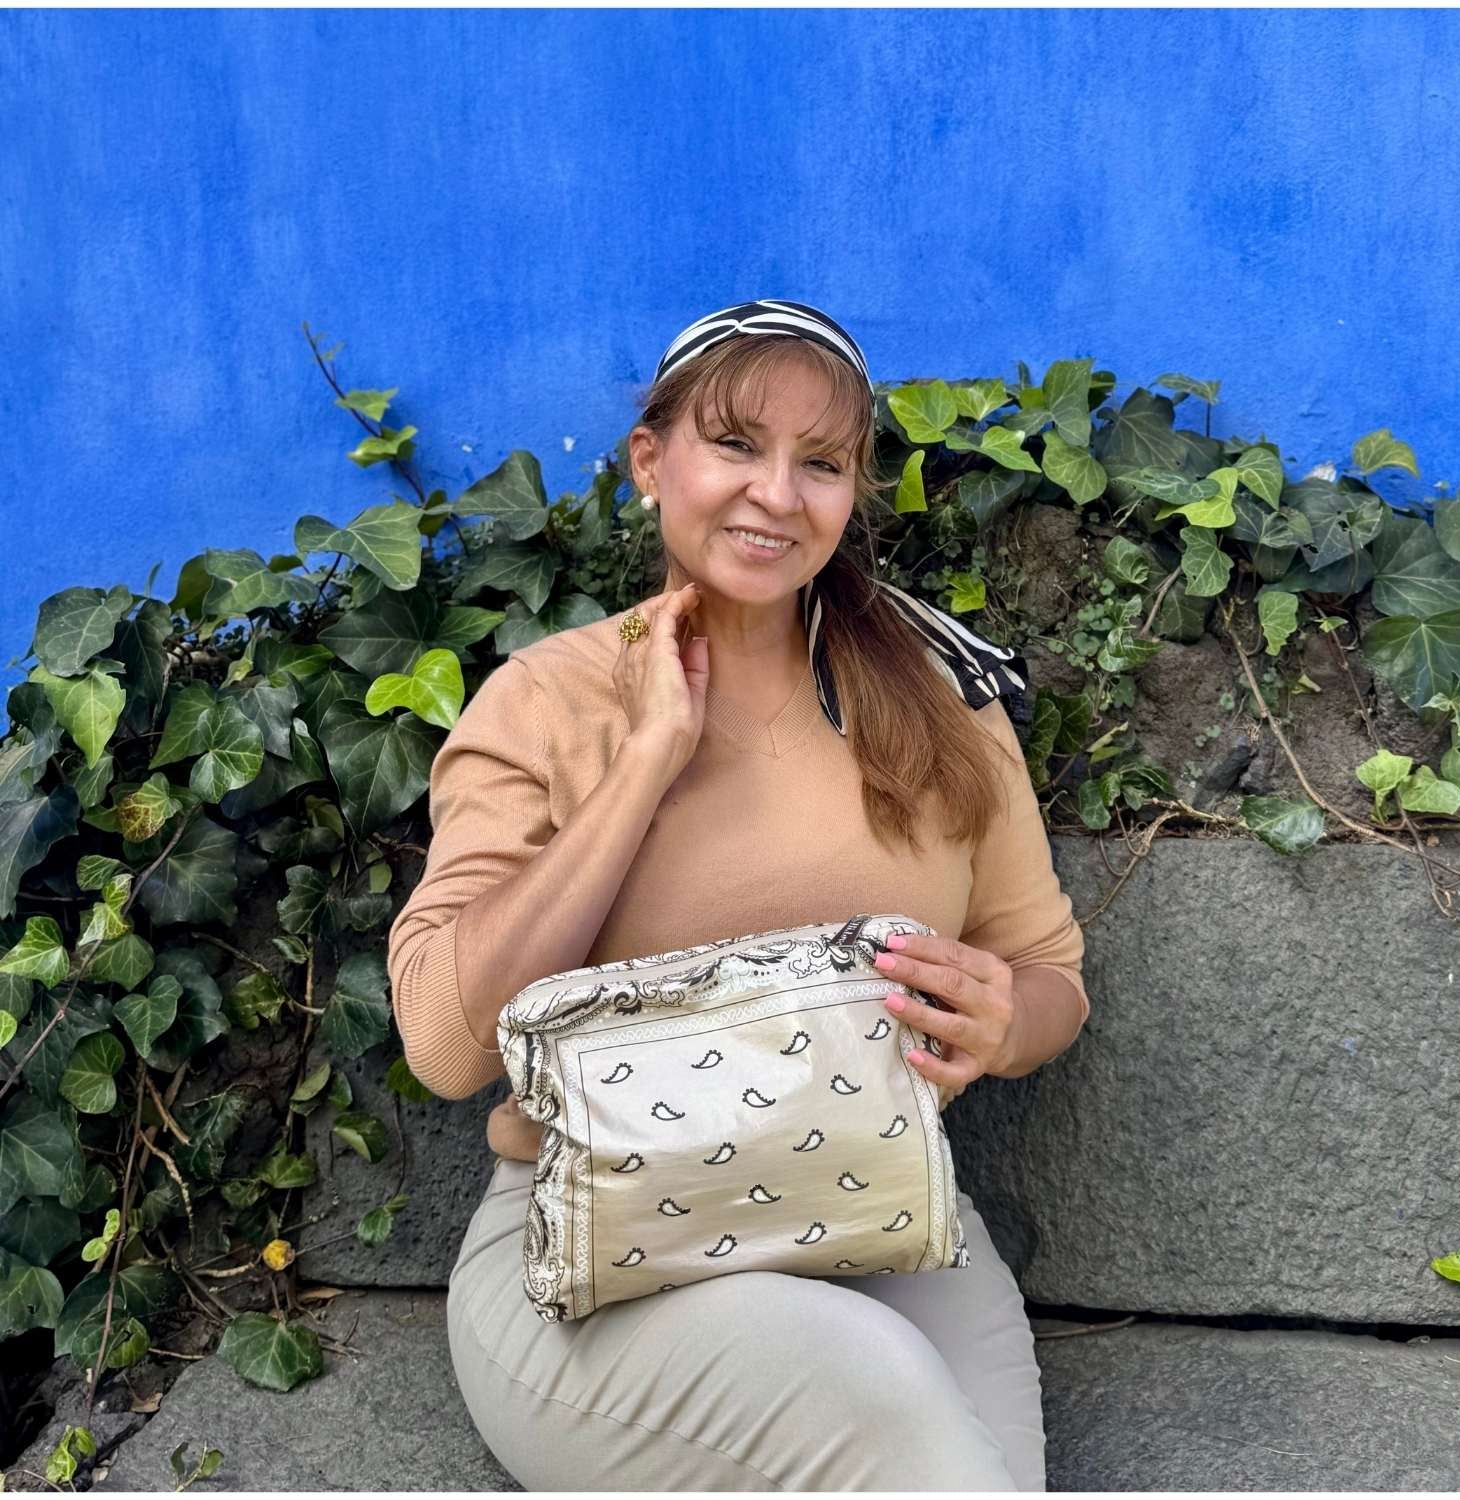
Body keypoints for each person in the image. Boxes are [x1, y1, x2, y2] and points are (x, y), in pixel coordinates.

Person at [386, 298, 1091, 1492]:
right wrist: (648, 760)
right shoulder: (547, 701)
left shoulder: (939, 702)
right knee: (887, 1400)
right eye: (734, 444)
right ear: (650, 461)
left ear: (853, 493)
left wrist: (1003, 1018)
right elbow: (448, 1047)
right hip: (590, 1268)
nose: (776, 493)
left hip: (878, 1219)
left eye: (821, 463)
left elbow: (1050, 974)